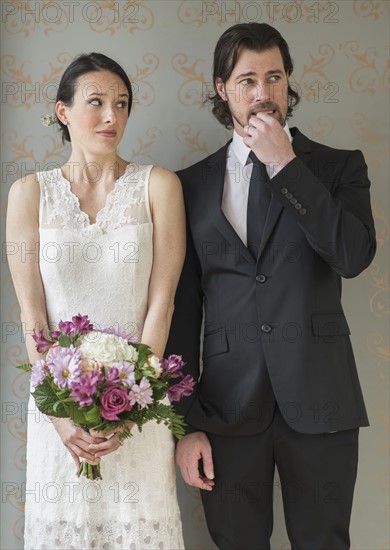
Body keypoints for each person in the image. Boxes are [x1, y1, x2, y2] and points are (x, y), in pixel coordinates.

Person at [165, 23, 376, 550]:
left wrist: (285, 164)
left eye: (275, 77)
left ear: (289, 82)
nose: (263, 93)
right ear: (222, 88)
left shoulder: (337, 168)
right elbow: (181, 311)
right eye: (247, 80)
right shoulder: (186, 186)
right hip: (224, 412)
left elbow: (353, 257)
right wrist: (182, 424)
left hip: (321, 400)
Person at [7, 53, 185, 549]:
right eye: (97, 102)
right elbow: (33, 315)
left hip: (139, 409)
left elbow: (162, 303)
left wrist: (129, 408)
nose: (112, 116)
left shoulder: (159, 186)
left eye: (122, 104)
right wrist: (62, 418)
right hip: (58, 410)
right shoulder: (27, 194)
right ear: (62, 111)